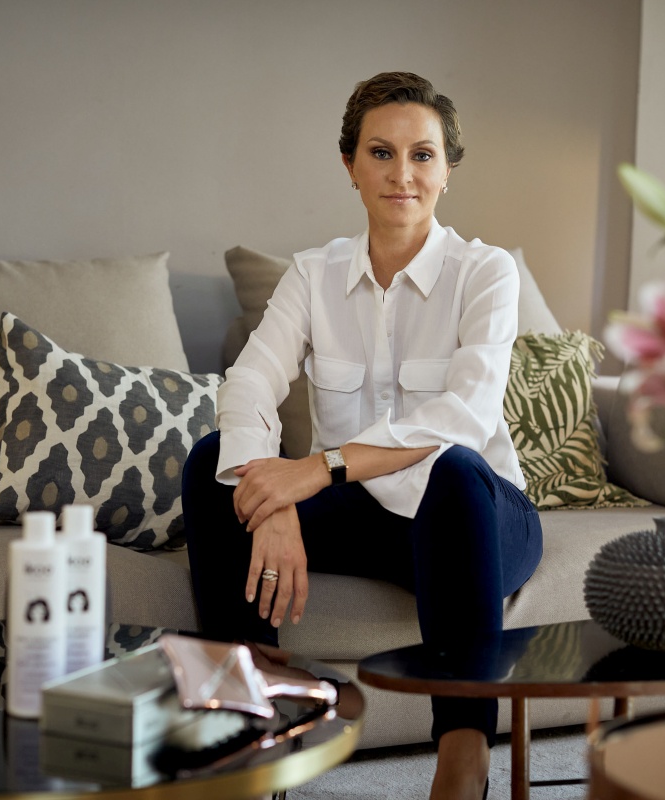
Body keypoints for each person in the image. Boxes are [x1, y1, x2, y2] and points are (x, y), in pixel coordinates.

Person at [182, 71, 542, 800]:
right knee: (210, 462)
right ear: (350, 165)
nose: (402, 174)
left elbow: (465, 413)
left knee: (454, 468)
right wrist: (272, 502)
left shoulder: (486, 272)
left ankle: (463, 760)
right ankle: (252, 727)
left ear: (447, 169)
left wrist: (317, 469)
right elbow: (248, 384)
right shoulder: (313, 276)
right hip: (369, 518)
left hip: (474, 518)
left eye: (422, 155)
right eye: (381, 153)